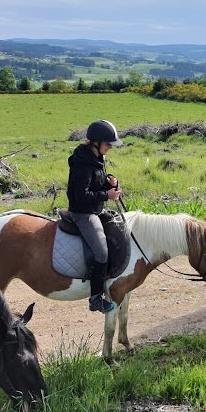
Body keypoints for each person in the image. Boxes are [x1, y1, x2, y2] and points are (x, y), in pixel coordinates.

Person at [67, 119, 125, 313]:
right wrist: (107, 195)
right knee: (101, 252)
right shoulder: (83, 163)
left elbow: (95, 185)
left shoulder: (95, 158)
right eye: (108, 144)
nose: (110, 147)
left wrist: (109, 184)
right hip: (83, 213)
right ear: (96, 142)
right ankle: (95, 299)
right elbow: (80, 196)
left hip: (95, 209)